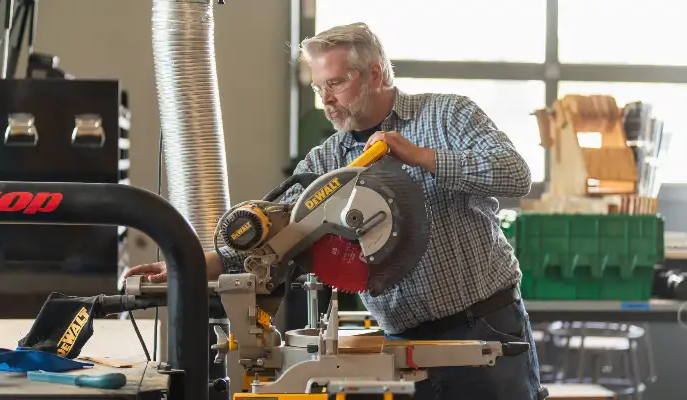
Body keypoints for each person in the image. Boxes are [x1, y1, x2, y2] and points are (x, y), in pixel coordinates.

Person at [124, 22, 543, 400]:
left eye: (336, 83)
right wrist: (189, 263)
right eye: (317, 87)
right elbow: (272, 235)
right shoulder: (325, 163)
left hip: (483, 326)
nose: (325, 99)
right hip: (399, 345)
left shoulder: (448, 114)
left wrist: (422, 157)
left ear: (376, 73)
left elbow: (515, 175)